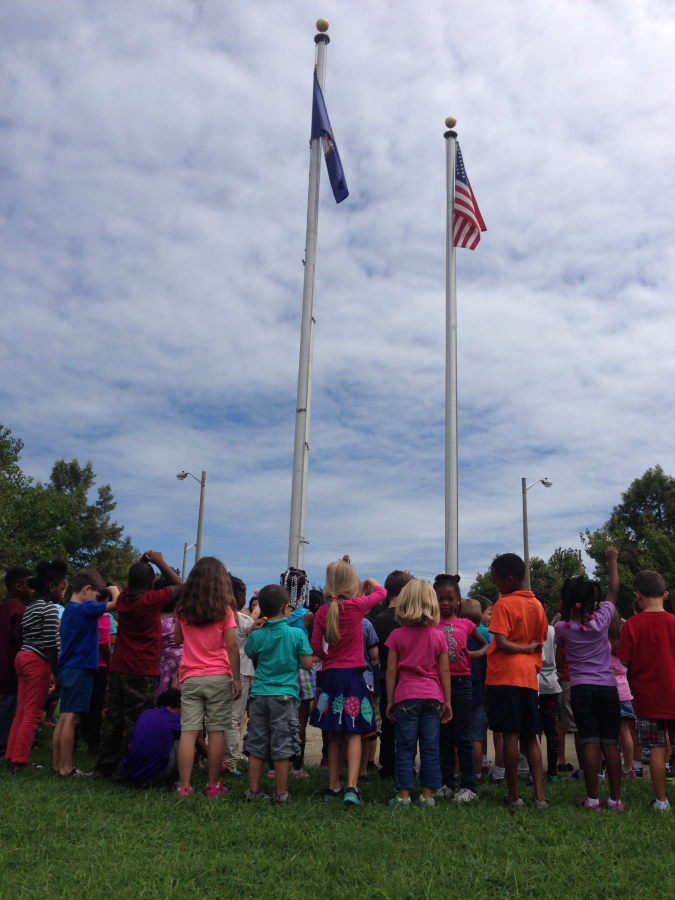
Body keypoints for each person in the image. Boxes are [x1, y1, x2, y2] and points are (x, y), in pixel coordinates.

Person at [95, 551, 182, 779]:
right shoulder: (151, 600)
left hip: (118, 668)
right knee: (136, 720)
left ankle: (104, 765)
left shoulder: (123, 600)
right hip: (142, 671)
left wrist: (143, 563)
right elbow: (179, 586)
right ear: (152, 583)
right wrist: (160, 561)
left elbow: (132, 584)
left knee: (114, 716)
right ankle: (126, 768)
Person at [310, 558, 386, 805]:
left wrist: (327, 657)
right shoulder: (357, 606)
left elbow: (314, 648)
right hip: (354, 678)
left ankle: (333, 786)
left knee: (334, 734)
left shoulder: (322, 612)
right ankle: (352, 787)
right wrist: (367, 583)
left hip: (330, 678)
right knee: (354, 733)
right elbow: (382, 591)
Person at [554, 547, 623, 811]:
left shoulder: (563, 628)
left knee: (590, 742)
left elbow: (560, 635)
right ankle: (615, 800)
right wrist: (612, 561)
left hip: (581, 689)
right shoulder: (602, 621)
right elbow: (613, 591)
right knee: (610, 744)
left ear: (567, 603)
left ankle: (592, 799)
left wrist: (565, 609)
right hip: (608, 688)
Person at [485, 552, 549, 809]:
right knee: (530, 736)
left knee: (510, 735)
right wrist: (528, 649)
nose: (497, 587)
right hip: (528, 679)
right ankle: (540, 795)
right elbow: (538, 643)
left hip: (505, 677)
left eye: (497, 582)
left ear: (510, 580)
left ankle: (514, 796)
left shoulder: (505, 603)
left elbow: (501, 642)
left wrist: (521, 648)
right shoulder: (538, 606)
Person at [173, 556, 241, 797]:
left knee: (189, 732)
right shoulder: (224, 610)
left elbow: (178, 640)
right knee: (216, 731)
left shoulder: (182, 609)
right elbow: (232, 646)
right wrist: (237, 678)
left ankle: (184, 786)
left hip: (190, 677)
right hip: (218, 677)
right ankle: (213, 785)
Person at [243, 584, 314, 803]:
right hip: (285, 697)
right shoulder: (296, 634)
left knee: (257, 743)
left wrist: (254, 629)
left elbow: (249, 651)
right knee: (282, 746)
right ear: (285, 608)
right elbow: (307, 664)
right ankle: (281, 793)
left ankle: (253, 792)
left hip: (259, 695)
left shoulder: (258, 635)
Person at [385, 579, 452, 807]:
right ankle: (427, 796)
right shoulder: (438, 636)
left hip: (406, 696)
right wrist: (448, 701)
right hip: (433, 697)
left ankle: (403, 796)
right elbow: (444, 671)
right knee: (430, 747)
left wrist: (390, 700)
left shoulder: (396, 636)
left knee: (404, 747)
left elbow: (391, 670)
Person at [618, 568, 675, 811]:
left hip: (648, 697)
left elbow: (624, 662)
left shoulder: (632, 624)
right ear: (665, 595)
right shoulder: (673, 622)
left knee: (657, 747)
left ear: (637, 595)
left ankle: (661, 801)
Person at [52, 569, 118, 777]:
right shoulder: (86, 607)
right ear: (87, 590)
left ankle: (57, 765)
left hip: (67, 668)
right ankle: (67, 768)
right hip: (81, 668)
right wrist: (114, 589)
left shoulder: (68, 611)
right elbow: (117, 604)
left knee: (64, 717)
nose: (98, 601)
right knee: (72, 719)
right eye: (97, 596)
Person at [434, 574, 487, 802]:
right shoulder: (431, 624)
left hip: (463, 685)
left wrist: (475, 654)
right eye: (440, 599)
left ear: (458, 600)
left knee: (462, 737)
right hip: (438, 686)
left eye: (450, 598)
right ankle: (447, 783)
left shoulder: (466, 624)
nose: (445, 603)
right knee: (444, 737)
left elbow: (487, 645)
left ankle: (469, 787)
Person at [5, 566, 61, 771]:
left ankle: (11, 755)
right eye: (61, 588)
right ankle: (19, 761)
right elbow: (50, 643)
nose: (62, 593)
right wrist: (56, 674)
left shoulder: (30, 606)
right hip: (37, 660)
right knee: (33, 712)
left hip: (22, 657)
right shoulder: (48, 608)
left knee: (21, 711)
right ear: (51, 587)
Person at [374, 570, 413, 780]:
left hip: (383, 676)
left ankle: (387, 765)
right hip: (409, 679)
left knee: (388, 725)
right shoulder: (411, 620)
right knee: (409, 726)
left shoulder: (378, 619)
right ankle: (407, 765)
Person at [282, 567, 316, 779]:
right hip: (301, 670)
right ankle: (297, 768)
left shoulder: (275, 612)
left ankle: (272, 768)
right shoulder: (307, 616)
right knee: (300, 722)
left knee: (277, 720)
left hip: (280, 669)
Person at [80, 583, 119, 755]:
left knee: (82, 705)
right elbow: (106, 644)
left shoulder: (81, 613)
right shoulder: (105, 617)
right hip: (100, 664)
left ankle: (78, 737)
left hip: (82, 663)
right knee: (96, 705)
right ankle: (94, 744)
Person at [223, 575, 255, 776]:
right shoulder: (243, 620)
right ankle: (230, 762)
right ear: (240, 595)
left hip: (218, 671)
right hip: (240, 674)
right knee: (234, 720)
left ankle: (214, 758)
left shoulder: (213, 617)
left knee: (217, 720)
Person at [123, 688, 182, 787]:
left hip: (130, 776)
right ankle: (175, 781)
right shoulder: (176, 718)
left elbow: (130, 744)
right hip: (151, 778)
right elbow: (196, 741)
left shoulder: (146, 713)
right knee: (188, 738)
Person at [0, 568, 30, 758]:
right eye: (30, 584)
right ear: (18, 586)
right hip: (9, 671)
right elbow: (21, 640)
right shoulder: (19, 610)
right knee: (7, 712)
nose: (33, 589)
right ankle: (3, 751)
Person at [459, 599, 488, 782]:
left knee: (459, 734)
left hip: (459, 687)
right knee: (476, 736)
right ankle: (477, 772)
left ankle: (456, 771)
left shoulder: (457, 638)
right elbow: (486, 673)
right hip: (477, 689)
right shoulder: (481, 644)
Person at [607, 611, 635, 779]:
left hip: (607, 688)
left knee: (608, 733)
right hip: (624, 689)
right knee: (625, 730)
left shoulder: (603, 640)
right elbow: (627, 623)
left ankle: (610, 767)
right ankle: (629, 768)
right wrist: (618, 618)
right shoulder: (624, 636)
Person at [538, 609, 562, 784]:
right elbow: (559, 657)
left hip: (534, 683)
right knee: (552, 730)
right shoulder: (553, 630)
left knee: (534, 731)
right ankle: (552, 772)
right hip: (552, 684)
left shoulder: (529, 629)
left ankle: (535, 771)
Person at [157, 593, 182, 697]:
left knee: (164, 695)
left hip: (164, 665)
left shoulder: (157, 621)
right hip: (181, 661)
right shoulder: (178, 619)